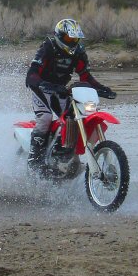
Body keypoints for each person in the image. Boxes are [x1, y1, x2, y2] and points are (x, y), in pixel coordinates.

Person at [24, 18, 115, 171]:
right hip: (42, 89)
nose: (72, 42)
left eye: (75, 39)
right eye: (68, 38)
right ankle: (34, 159)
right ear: (59, 36)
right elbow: (31, 74)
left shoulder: (79, 52)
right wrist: (43, 83)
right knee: (45, 118)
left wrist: (102, 88)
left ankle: (64, 148)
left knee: (75, 114)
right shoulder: (48, 47)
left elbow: (85, 76)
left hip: (61, 90)